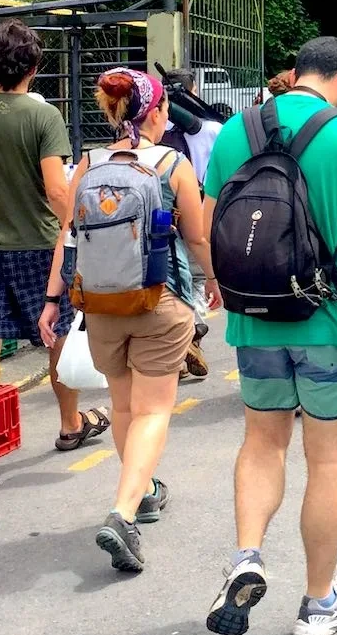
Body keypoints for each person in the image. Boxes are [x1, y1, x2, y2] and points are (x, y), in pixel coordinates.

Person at [202, 36, 337, 635]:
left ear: (295, 75)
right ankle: (319, 603)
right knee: (328, 460)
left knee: (263, 443)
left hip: (254, 320)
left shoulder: (237, 131)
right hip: (325, 324)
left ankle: (245, 555)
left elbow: (215, 224)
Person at [39, 67, 222, 572]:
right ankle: (123, 512)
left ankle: (141, 492)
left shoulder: (88, 165)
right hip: (160, 301)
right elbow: (198, 236)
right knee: (154, 411)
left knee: (123, 408)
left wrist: (54, 300)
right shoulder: (172, 164)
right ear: (157, 112)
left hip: (101, 306)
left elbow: (69, 237)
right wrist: (213, 279)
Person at [0, 21, 109, 502]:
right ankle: (69, 423)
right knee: (55, 334)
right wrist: (72, 232)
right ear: (34, 69)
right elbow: (58, 189)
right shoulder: (43, 118)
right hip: (39, 246)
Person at [162, 67, 222, 379]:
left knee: (169, 283)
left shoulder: (154, 127)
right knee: (197, 281)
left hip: (161, 218)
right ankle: (191, 334)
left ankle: (179, 346)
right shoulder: (212, 129)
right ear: (193, 90)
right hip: (199, 213)